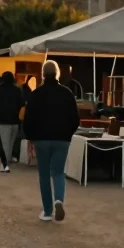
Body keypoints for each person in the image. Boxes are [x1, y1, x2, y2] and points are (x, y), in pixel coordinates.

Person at [22, 61, 79, 222]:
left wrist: (30, 136)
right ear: (57, 73)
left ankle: (47, 211)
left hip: (41, 139)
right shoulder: (67, 93)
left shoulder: (36, 94)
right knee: (59, 172)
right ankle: (58, 200)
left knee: (44, 175)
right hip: (62, 139)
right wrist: (68, 134)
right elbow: (75, 119)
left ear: (42, 74)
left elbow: (28, 119)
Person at [0, 71, 24, 173]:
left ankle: (5, 165)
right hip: (15, 121)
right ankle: (7, 162)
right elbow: (21, 104)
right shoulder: (17, 90)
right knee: (10, 143)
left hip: (2, 121)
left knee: (5, 144)